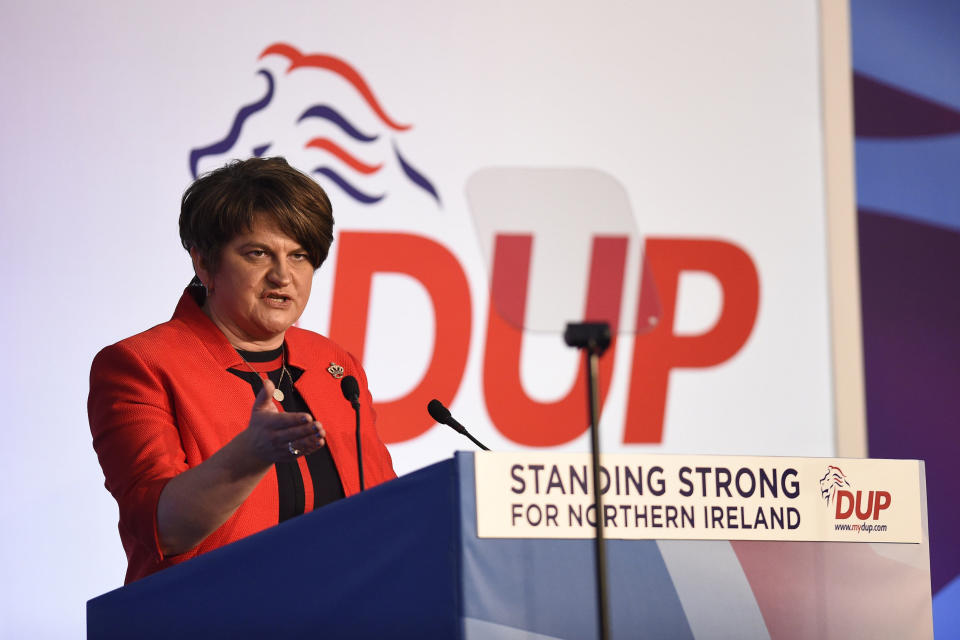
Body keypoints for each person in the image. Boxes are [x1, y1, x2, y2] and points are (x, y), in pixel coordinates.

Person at [88, 157, 396, 584]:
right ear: (205, 264)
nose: (282, 276)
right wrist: (250, 456)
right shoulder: (141, 365)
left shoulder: (334, 364)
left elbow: (384, 504)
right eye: (258, 254)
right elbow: (163, 528)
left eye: (300, 255)